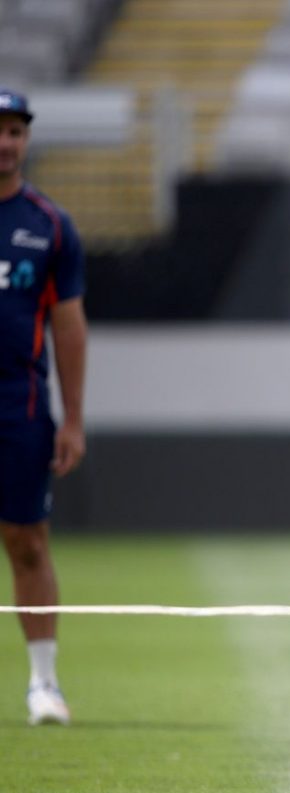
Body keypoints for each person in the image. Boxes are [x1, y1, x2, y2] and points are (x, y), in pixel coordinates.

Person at [0, 88, 87, 727]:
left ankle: (43, 684)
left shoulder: (50, 226)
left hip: (19, 405)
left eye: (15, 131)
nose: (6, 142)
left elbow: (68, 327)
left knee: (27, 541)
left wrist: (74, 417)